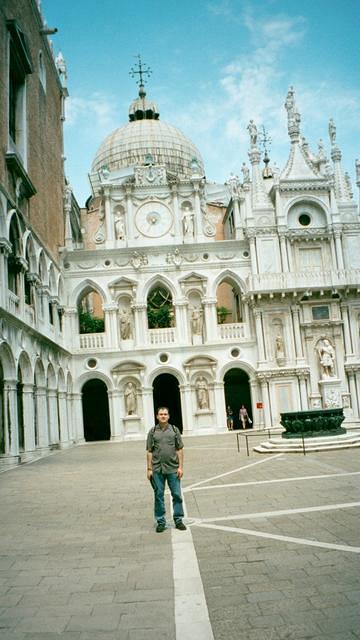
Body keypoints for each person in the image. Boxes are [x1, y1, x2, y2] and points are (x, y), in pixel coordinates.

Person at [146, 407, 186, 533]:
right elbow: (149, 451)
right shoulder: (152, 432)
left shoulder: (174, 430)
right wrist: (149, 469)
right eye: (161, 414)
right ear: (157, 416)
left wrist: (180, 467)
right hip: (158, 469)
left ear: (168, 416)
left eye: (165, 414)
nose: (163, 416)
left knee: (177, 495)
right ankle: (161, 521)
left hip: (173, 468)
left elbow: (179, 449)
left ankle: (178, 519)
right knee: (158, 496)